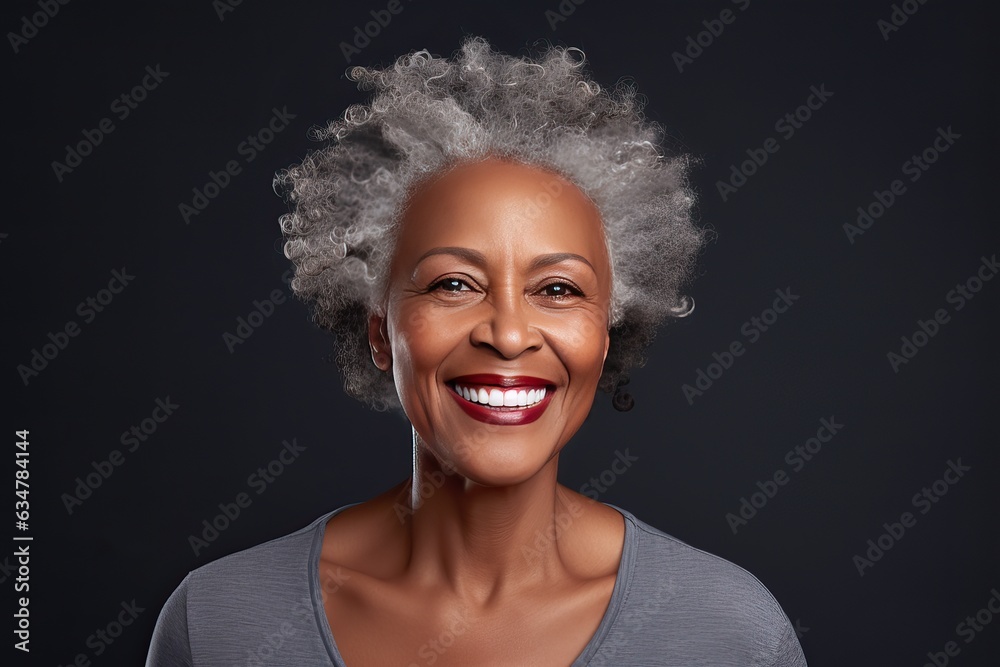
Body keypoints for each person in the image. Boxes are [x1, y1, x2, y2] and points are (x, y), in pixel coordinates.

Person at [146, 36, 808, 666]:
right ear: (381, 332)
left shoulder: (728, 633)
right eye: (454, 283)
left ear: (605, 336)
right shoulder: (220, 622)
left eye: (557, 288)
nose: (509, 333)